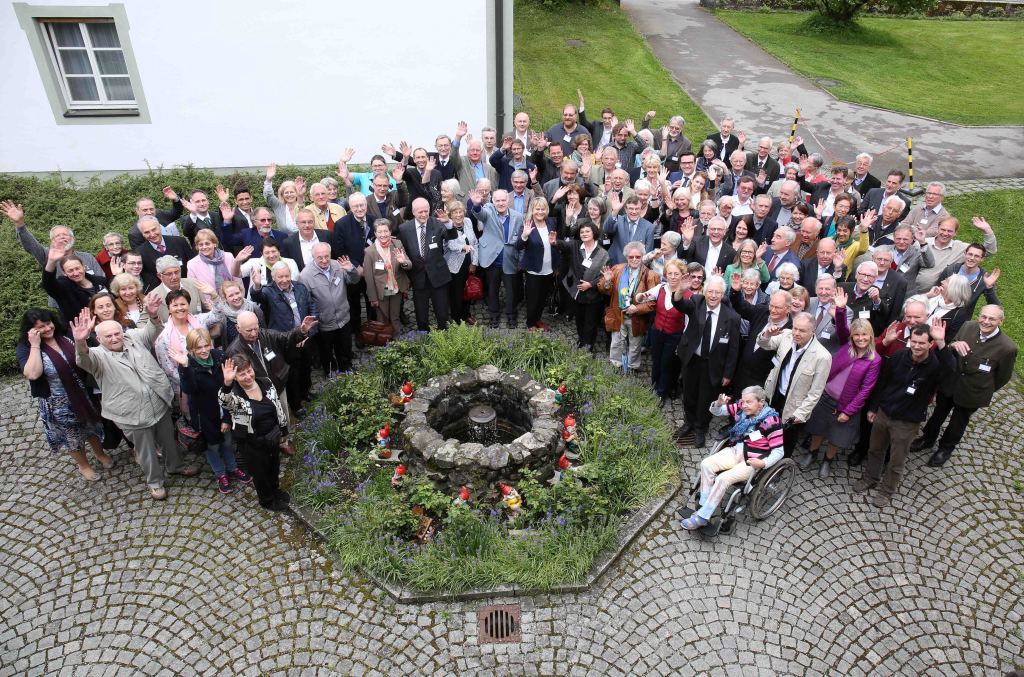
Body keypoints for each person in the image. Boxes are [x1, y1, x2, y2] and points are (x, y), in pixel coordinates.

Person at [71, 297, 199, 500]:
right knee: (146, 450)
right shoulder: (96, 356)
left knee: (168, 439)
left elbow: (152, 332)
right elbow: (83, 358)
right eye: (108, 336)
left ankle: (175, 466)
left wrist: (153, 314)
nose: (114, 338)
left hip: (158, 401)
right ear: (99, 339)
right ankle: (155, 482)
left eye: (116, 334)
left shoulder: (132, 338)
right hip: (131, 412)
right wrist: (80, 341)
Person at [855, 318, 952, 508]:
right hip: (884, 412)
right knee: (875, 449)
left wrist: (942, 343)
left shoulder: (935, 366)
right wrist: (874, 407)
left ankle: (886, 490)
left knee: (896, 460)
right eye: (913, 342)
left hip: (907, 421)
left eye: (921, 343)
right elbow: (883, 382)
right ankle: (870, 477)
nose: (916, 346)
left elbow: (951, 371)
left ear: (930, 344)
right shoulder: (900, 356)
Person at [912, 305, 1017, 467]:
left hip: (972, 392)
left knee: (958, 422)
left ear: (1001, 322)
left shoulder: (1007, 348)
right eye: (983, 316)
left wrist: (983, 387)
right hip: (950, 382)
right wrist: (954, 345)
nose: (986, 321)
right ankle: (927, 438)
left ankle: (945, 449)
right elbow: (952, 344)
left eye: (992, 319)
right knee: (938, 413)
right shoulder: (968, 326)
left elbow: (1003, 376)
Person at [17, 308, 110, 481]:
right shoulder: (26, 347)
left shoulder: (66, 335)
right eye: (40, 327)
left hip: (83, 392)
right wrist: (35, 345)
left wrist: (83, 337)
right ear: (31, 330)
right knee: (72, 435)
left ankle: (100, 453)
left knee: (92, 425)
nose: (47, 329)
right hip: (58, 401)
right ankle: (84, 465)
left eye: (48, 323)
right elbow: (33, 374)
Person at [799, 288, 881, 477]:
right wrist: (841, 310)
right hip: (826, 395)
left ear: (870, 336)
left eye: (864, 335)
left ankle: (827, 461)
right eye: (857, 335)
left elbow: (865, 390)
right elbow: (842, 328)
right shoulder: (847, 345)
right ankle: (812, 453)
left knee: (836, 436)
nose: (860, 338)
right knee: (818, 428)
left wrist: (848, 411)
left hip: (845, 405)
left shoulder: (874, 359)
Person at [679, 386, 784, 531]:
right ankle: (704, 505)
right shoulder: (742, 409)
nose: (744, 405)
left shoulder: (772, 421)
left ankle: (702, 517)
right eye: (743, 401)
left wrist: (763, 463)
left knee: (723, 479)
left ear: (761, 402)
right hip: (736, 450)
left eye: (749, 402)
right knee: (706, 464)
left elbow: (779, 451)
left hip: (753, 459)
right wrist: (718, 404)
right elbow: (717, 412)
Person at [171, 328, 251, 494]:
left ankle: (232, 468)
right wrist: (184, 367)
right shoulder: (188, 364)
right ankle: (220, 474)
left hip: (224, 409)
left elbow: (229, 386)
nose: (203, 350)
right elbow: (189, 389)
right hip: (204, 416)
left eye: (206, 345)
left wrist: (227, 418)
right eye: (198, 348)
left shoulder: (219, 357)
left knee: (228, 442)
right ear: (191, 349)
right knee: (213, 447)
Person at [673, 275, 742, 447]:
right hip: (692, 360)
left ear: (722, 295)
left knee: (706, 398)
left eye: (717, 292)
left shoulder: (732, 317)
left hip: (713, 365)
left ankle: (701, 428)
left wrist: (728, 373)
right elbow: (679, 304)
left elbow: (734, 348)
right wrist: (680, 290)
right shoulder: (696, 302)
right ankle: (689, 423)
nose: (712, 295)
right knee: (689, 393)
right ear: (704, 291)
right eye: (710, 291)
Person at [218, 355, 290, 512]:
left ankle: (275, 491)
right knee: (260, 473)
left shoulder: (266, 382)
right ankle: (267, 500)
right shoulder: (235, 395)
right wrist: (227, 383)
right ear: (235, 377)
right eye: (242, 374)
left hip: (272, 436)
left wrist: (283, 428)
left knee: (274, 466)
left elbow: (277, 405)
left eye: (249, 371)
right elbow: (224, 401)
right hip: (252, 442)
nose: (248, 376)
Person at [758, 312, 833, 457]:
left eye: (802, 330)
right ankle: (762, 455)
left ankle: (780, 464)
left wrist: (801, 413)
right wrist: (767, 334)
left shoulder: (822, 356)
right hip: (774, 394)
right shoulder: (786, 336)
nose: (796, 333)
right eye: (795, 328)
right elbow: (764, 344)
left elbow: (815, 392)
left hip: (794, 406)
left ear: (813, 331)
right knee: (766, 428)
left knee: (786, 439)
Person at [153, 285, 222, 435]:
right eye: (175, 305)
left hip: (212, 378)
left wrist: (214, 296)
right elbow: (169, 369)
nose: (179, 308)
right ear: (169, 307)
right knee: (199, 419)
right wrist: (192, 381)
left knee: (218, 412)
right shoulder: (164, 337)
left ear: (188, 305)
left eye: (183, 304)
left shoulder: (199, 320)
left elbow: (219, 315)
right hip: (189, 387)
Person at [253, 261, 318, 405]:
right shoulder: (268, 292)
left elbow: (311, 306)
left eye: (286, 276)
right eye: (280, 277)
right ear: (273, 277)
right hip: (286, 341)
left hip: (305, 337)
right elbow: (257, 297)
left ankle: (305, 392)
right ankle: (295, 404)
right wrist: (256, 286)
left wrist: (309, 332)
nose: (284, 280)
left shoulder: (300, 287)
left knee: (306, 367)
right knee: (292, 373)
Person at [397, 198, 458, 330]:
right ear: (413, 212)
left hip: (438, 275)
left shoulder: (437, 223)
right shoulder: (404, 229)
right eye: (420, 212)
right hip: (418, 277)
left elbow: (451, 236)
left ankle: (444, 338)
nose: (424, 214)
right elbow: (403, 250)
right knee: (421, 315)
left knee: (442, 313)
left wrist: (448, 223)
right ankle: (423, 338)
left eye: (426, 211)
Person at [299, 243, 360, 376]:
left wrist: (351, 270)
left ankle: (346, 367)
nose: (324, 260)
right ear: (313, 257)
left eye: (327, 256)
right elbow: (306, 301)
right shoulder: (305, 275)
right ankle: (330, 371)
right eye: (320, 257)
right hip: (324, 322)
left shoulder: (338, 265)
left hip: (343, 317)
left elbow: (354, 281)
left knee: (345, 346)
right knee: (326, 350)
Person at [636, 259, 691, 405]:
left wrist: (683, 341)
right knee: (656, 361)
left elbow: (688, 322)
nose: (672, 276)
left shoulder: (687, 294)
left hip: (674, 335)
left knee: (667, 364)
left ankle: (661, 392)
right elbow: (643, 296)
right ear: (666, 274)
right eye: (670, 273)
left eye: (676, 274)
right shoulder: (660, 288)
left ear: (682, 275)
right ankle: (654, 386)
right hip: (657, 332)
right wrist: (640, 297)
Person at [728, 273, 793, 395]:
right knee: (736, 408)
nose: (773, 310)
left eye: (778, 308)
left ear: (788, 308)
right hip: (742, 373)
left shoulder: (791, 329)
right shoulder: (762, 312)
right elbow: (742, 307)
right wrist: (735, 292)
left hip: (762, 381)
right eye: (771, 306)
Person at [469, 189, 525, 328]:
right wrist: (476, 204)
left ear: (508, 201)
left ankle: (511, 316)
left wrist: (520, 259)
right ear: (493, 201)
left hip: (510, 259)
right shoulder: (489, 212)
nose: (500, 203)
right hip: (492, 259)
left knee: (511, 291)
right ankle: (494, 316)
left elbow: (520, 239)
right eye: (497, 200)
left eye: (503, 200)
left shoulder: (517, 216)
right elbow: (480, 214)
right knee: (492, 290)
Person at [554, 220, 609, 352]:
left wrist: (591, 284)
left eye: (587, 231)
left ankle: (588, 344)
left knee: (591, 322)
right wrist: (554, 242)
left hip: (593, 294)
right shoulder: (575, 246)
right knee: (579, 319)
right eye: (582, 231)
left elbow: (605, 276)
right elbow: (563, 245)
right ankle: (581, 339)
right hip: (576, 292)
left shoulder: (603, 253)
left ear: (594, 233)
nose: (584, 233)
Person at [915, 216, 997, 294]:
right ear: (937, 229)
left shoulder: (961, 248)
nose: (945, 233)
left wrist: (987, 230)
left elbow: (988, 251)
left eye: (950, 231)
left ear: (955, 233)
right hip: (913, 291)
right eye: (943, 229)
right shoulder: (922, 243)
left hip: (940, 295)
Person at [516, 198, 560, 331]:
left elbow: (555, 245)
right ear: (532, 210)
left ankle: (538, 319)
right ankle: (530, 323)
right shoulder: (527, 224)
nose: (540, 212)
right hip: (534, 269)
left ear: (546, 210)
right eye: (537, 209)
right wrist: (524, 235)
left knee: (542, 298)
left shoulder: (551, 222)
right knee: (533, 299)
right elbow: (518, 246)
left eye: (543, 209)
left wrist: (556, 265)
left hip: (548, 268)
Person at [363, 218, 412, 334]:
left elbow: (409, 265)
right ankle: (385, 343)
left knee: (395, 317)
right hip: (381, 292)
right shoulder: (370, 251)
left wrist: (403, 261)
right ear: (375, 233)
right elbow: (369, 277)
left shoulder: (397, 244)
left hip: (396, 288)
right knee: (383, 319)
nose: (383, 234)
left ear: (390, 232)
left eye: (385, 231)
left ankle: (397, 341)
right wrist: (373, 298)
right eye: (379, 232)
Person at [41, 247, 108, 324]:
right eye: (70, 271)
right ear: (64, 273)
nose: (76, 273)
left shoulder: (100, 281)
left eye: (77, 268)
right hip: (82, 331)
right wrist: (51, 262)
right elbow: (49, 284)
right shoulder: (64, 287)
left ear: (83, 266)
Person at [935, 242, 1000, 316]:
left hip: (961, 320)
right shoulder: (951, 270)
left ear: (982, 259)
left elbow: (995, 306)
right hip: (939, 313)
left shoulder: (984, 279)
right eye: (970, 254)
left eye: (977, 256)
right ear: (965, 254)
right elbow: (936, 290)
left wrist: (989, 288)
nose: (972, 258)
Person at [440, 201, 479, 325]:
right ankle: (457, 319)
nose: (458, 215)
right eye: (455, 212)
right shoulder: (446, 226)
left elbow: (475, 243)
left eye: (460, 212)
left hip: (469, 263)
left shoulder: (467, 221)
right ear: (450, 215)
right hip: (454, 266)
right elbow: (450, 245)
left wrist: (474, 262)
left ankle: (466, 314)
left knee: (467, 291)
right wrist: (463, 247)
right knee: (456, 294)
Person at [135, 215, 195, 289]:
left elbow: (193, 265)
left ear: (160, 227)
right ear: (142, 234)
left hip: (187, 287)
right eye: (147, 232)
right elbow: (147, 279)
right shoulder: (140, 253)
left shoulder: (180, 242)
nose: (152, 234)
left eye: (154, 229)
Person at [603, 195, 655, 265]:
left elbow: (648, 254)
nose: (634, 212)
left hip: (636, 268)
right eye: (631, 208)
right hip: (615, 265)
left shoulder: (649, 227)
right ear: (625, 209)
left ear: (641, 209)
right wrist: (615, 211)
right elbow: (607, 229)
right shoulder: (618, 220)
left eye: (637, 209)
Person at [216, 280, 265, 348]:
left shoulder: (254, 308)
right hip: (234, 354)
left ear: (241, 292)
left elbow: (264, 331)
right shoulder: (222, 314)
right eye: (231, 295)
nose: (236, 297)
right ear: (225, 298)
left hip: (256, 349)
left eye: (237, 293)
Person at [281, 208, 332, 273]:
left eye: (310, 222)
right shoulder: (288, 243)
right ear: (297, 224)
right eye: (303, 222)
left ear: (314, 222)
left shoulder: (327, 236)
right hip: (303, 280)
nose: (307, 225)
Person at [923, 274, 973, 340]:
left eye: (946, 281)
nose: (942, 281)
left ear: (954, 288)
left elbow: (948, 340)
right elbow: (909, 307)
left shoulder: (959, 315)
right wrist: (927, 295)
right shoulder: (934, 297)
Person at [233, 238, 300, 284]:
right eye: (267, 253)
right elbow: (236, 274)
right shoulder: (254, 263)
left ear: (279, 251)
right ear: (262, 254)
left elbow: (295, 283)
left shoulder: (290, 262)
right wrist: (237, 261)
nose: (271, 255)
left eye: (273, 251)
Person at [263, 163, 304, 233]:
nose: (289, 195)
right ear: (282, 195)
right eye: (286, 192)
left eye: (292, 192)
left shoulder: (302, 205)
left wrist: (301, 195)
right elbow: (269, 195)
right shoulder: (279, 206)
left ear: (296, 193)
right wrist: (268, 180)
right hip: (284, 242)